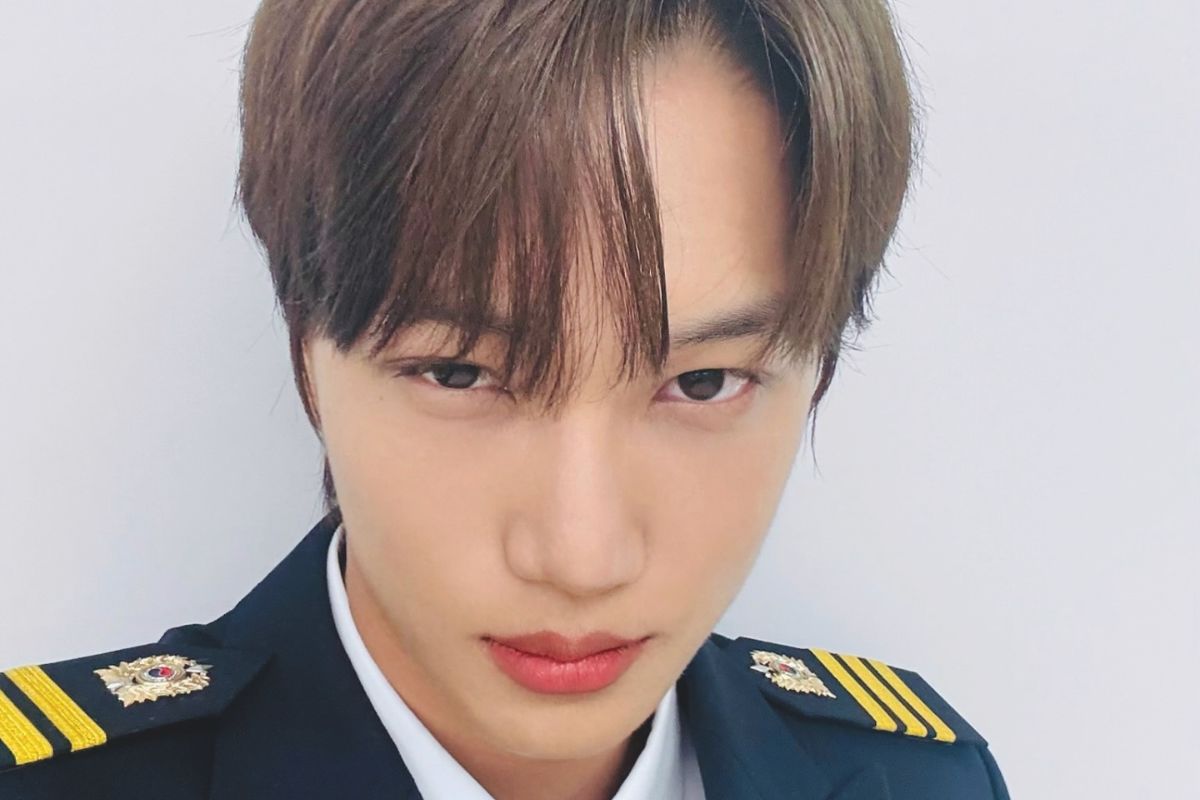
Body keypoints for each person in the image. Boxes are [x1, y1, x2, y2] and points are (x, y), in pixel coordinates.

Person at [0, 1, 1009, 797]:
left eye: (703, 381)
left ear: (818, 369)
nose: (580, 557)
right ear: (308, 348)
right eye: (459, 372)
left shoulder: (924, 779)